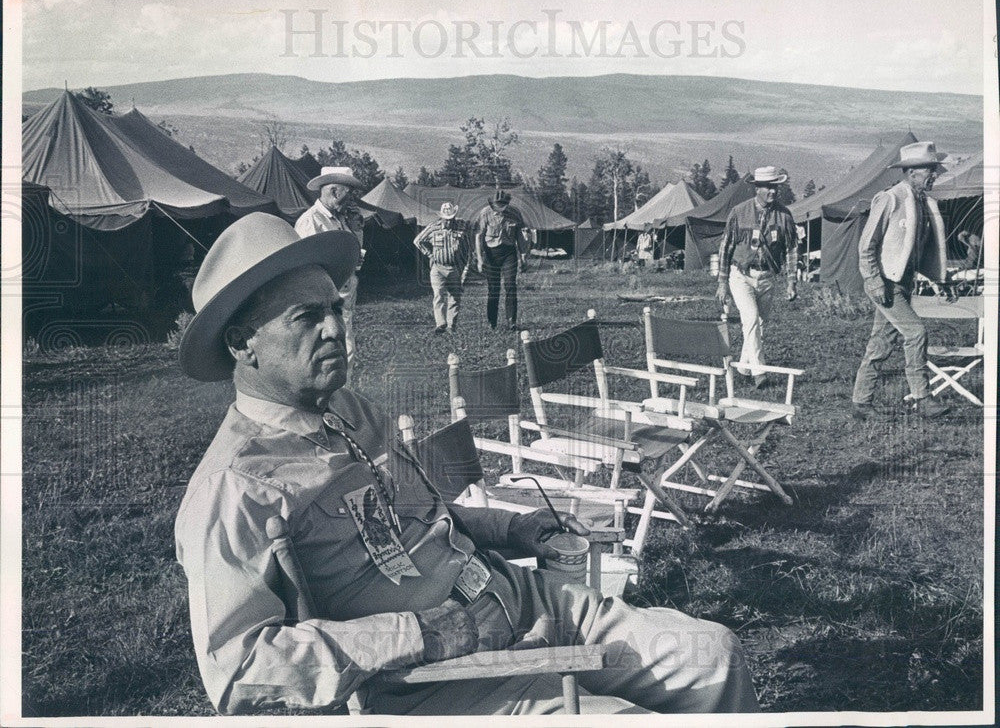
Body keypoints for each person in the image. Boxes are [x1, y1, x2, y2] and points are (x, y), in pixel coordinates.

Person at [174, 212, 760, 716]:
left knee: (715, 656)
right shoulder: (238, 486)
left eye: (336, 308)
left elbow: (423, 516)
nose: (336, 329)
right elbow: (240, 668)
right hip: (451, 683)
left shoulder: (351, 412)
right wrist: (424, 634)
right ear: (241, 343)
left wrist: (514, 528)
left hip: (528, 601)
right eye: (306, 317)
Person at [851, 142, 954, 420]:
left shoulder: (923, 203)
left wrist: (939, 281)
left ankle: (861, 403)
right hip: (884, 283)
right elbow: (867, 245)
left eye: (934, 170)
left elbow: (918, 252)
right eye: (929, 170)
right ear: (910, 172)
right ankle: (922, 398)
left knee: (880, 344)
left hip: (902, 284)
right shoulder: (890, 199)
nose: (934, 175)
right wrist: (874, 281)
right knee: (916, 332)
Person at [715, 166, 798, 389]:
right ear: (757, 188)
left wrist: (792, 281)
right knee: (750, 319)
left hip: (767, 276)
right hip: (741, 275)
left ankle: (743, 367)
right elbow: (726, 247)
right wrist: (722, 282)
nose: (773, 192)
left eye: (776, 187)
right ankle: (760, 373)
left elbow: (791, 249)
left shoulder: (784, 215)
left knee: (758, 323)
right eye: (769, 187)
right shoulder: (739, 212)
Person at [295, 166, 366, 381]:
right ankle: (333, 396)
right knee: (334, 348)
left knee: (346, 347)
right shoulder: (311, 221)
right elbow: (304, 264)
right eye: (348, 193)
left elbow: (352, 251)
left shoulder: (339, 220)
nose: (351, 200)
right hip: (323, 297)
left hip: (342, 296)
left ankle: (341, 399)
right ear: (335, 191)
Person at [413, 202, 474, 334]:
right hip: (437, 268)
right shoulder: (433, 227)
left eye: (451, 218)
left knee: (454, 297)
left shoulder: (462, 227)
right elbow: (418, 241)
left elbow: (468, 248)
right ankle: (440, 324)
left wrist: (465, 269)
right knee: (438, 295)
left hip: (454, 268)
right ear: (441, 217)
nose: (448, 222)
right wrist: (429, 254)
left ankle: (451, 326)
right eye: (446, 219)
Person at [474, 190, 530, 331]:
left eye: (502, 206)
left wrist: (523, 256)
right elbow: (479, 236)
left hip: (508, 253)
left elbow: (520, 234)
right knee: (494, 289)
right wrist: (480, 259)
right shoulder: (485, 213)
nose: (499, 209)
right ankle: (492, 322)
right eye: (496, 206)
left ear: (507, 204)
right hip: (490, 253)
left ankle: (512, 321)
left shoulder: (515, 213)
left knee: (511, 285)